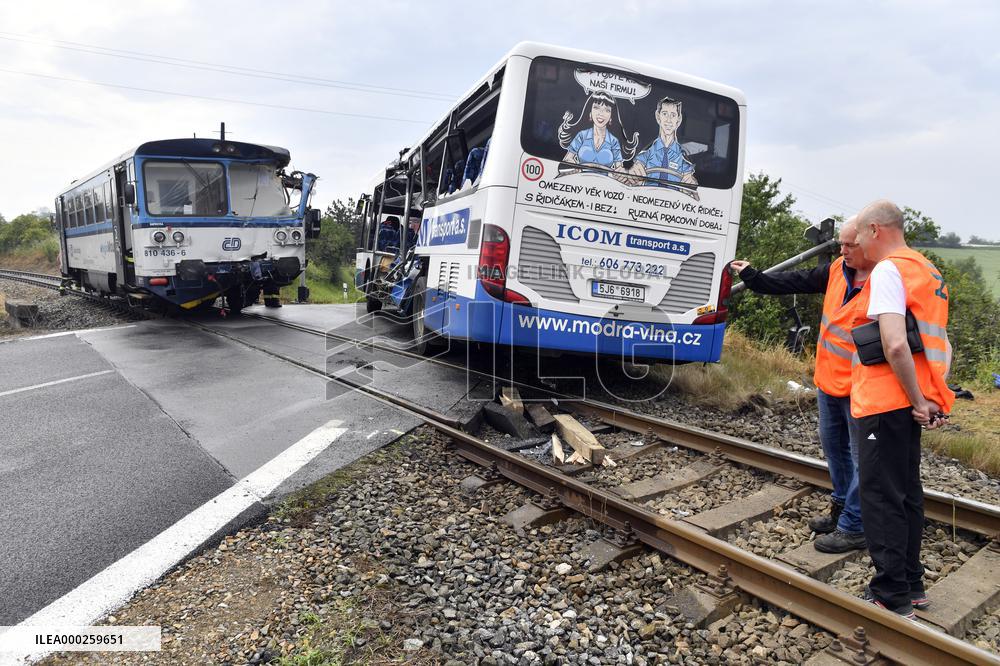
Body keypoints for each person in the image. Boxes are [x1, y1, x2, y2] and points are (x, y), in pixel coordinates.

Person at [730, 217, 873, 553]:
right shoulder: (838, 269)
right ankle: (841, 510)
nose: (842, 250)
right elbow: (792, 281)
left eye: (850, 245)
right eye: (841, 243)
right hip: (829, 381)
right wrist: (753, 276)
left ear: (871, 242)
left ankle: (855, 525)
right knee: (835, 449)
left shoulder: (886, 279)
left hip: (864, 388)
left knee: (861, 456)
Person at [850, 200, 954, 619]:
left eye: (859, 235)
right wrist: (929, 399)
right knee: (907, 493)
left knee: (880, 496)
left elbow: (894, 343)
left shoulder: (890, 270)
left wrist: (915, 400)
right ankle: (911, 584)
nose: (856, 243)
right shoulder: (927, 270)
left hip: (887, 402)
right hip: (914, 400)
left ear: (876, 229)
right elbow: (938, 343)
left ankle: (890, 594)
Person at [622, 97, 697, 187]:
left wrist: (691, 181)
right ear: (658, 117)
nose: (668, 120)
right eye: (665, 114)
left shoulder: (682, 156)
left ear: (679, 120)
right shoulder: (647, 152)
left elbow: (690, 179)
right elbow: (636, 167)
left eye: (673, 115)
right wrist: (633, 172)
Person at [559, 91, 637, 170]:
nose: (601, 113)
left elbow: (619, 168)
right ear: (590, 111)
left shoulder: (614, 141)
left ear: (611, 116)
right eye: (596, 107)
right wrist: (572, 164)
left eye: (607, 110)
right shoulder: (582, 135)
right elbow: (567, 159)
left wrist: (621, 171)